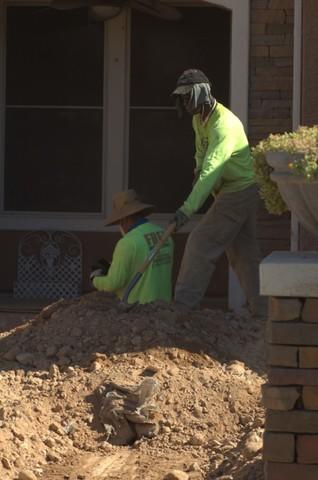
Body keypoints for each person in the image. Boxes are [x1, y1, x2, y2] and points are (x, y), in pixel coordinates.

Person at [170, 69, 262, 316]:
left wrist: (187, 210)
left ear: (201, 92)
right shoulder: (199, 119)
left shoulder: (224, 125)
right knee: (244, 255)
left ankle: (182, 308)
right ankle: (263, 312)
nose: (185, 102)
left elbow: (213, 170)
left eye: (188, 96)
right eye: (182, 97)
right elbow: (202, 155)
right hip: (229, 190)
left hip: (238, 191)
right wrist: (196, 170)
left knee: (201, 242)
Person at [91, 189, 174, 304]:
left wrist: (95, 279)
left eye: (119, 222)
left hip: (139, 310)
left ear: (124, 219)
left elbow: (113, 283)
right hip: (164, 308)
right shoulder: (164, 235)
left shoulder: (128, 243)